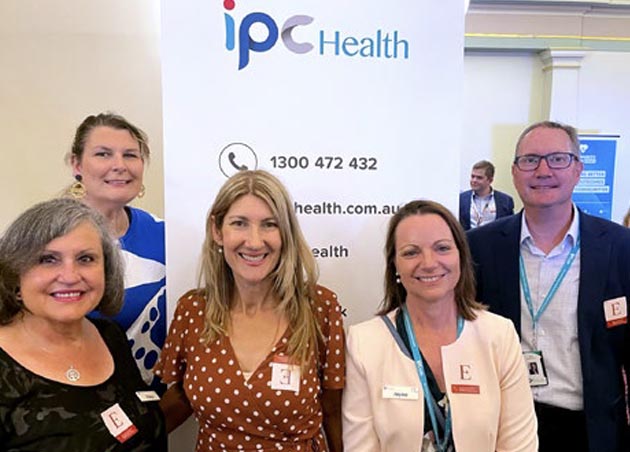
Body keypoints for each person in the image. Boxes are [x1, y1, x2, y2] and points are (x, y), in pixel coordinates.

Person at [467, 120, 630, 452]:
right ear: (514, 173)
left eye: (558, 159)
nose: (543, 170)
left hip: (589, 429)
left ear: (578, 169)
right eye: (530, 160)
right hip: (504, 425)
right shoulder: (479, 246)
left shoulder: (619, 247)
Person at [155, 170, 345, 451]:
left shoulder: (319, 308)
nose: (254, 242)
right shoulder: (193, 310)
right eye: (240, 224)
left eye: (269, 225)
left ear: (286, 234)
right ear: (217, 231)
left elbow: (333, 412)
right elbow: (179, 400)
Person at [343, 200, 537, 452]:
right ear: (395, 265)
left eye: (442, 248)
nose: (429, 263)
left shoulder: (499, 335)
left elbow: (519, 446)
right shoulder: (363, 342)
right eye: (411, 252)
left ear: (461, 256)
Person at [0, 198, 166, 451]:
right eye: (48, 259)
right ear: (14, 273)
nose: (70, 276)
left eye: (86, 259)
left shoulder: (111, 336)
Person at [67, 112, 166, 390]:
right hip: (77, 409)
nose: (119, 165)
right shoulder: (47, 238)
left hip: (156, 414)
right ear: (77, 164)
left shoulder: (164, 234)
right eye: (103, 154)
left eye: (131, 155)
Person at [459, 160, 514, 230]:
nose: (474, 180)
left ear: (490, 180)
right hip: (468, 239)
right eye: (472, 176)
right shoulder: (462, 199)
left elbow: (509, 227)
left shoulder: (505, 201)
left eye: (479, 178)